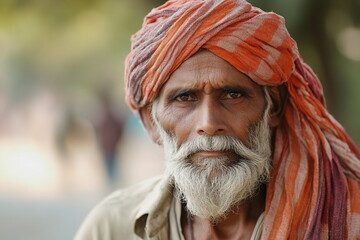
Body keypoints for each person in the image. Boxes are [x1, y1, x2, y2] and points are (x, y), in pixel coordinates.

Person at [75, 0, 360, 239]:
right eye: (185, 98)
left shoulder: (340, 218)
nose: (209, 123)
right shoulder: (111, 228)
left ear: (272, 109)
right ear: (152, 123)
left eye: (233, 95)